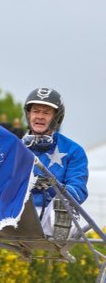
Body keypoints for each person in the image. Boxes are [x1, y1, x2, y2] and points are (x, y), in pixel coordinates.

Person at [22, 87, 88, 239]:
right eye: (36, 111)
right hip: (22, 212)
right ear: (29, 114)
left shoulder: (74, 150)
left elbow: (78, 187)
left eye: (46, 113)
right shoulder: (15, 149)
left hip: (54, 212)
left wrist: (59, 190)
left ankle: (60, 224)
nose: (40, 116)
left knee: (60, 208)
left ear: (56, 118)